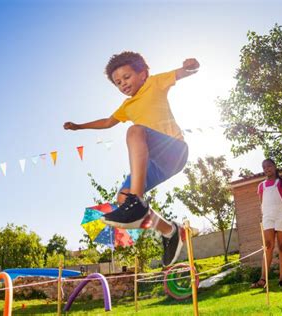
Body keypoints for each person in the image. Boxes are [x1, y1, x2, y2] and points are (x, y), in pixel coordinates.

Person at [64, 51, 199, 267]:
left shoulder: (154, 83)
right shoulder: (127, 106)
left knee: (135, 132)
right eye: (118, 82)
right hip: (156, 163)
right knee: (122, 199)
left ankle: (136, 202)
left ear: (143, 74)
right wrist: (79, 126)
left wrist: (190, 66)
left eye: (126, 77)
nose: (123, 84)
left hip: (173, 149)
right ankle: (170, 231)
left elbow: (183, 73)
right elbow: (107, 122)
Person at [251, 158, 282, 288]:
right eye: (264, 167)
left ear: (274, 166)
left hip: (281, 215)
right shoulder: (261, 186)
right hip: (268, 216)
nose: (267, 169)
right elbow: (262, 203)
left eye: (269, 166)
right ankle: (263, 279)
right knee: (268, 245)